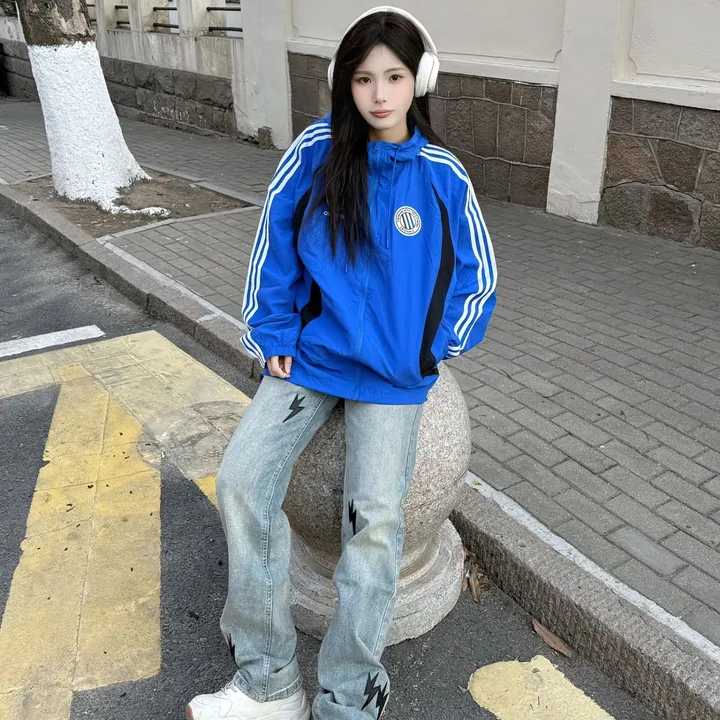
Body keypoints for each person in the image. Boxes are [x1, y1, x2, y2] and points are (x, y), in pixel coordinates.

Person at [186, 6, 497, 719]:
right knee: (241, 482)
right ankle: (268, 682)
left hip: (392, 379)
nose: (379, 94)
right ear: (342, 83)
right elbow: (275, 244)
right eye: (363, 79)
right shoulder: (316, 151)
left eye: (394, 77)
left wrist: (429, 347)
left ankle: (350, 696)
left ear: (421, 79)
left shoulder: (442, 175)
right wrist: (272, 330)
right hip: (311, 361)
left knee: (374, 525)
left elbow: (477, 278)